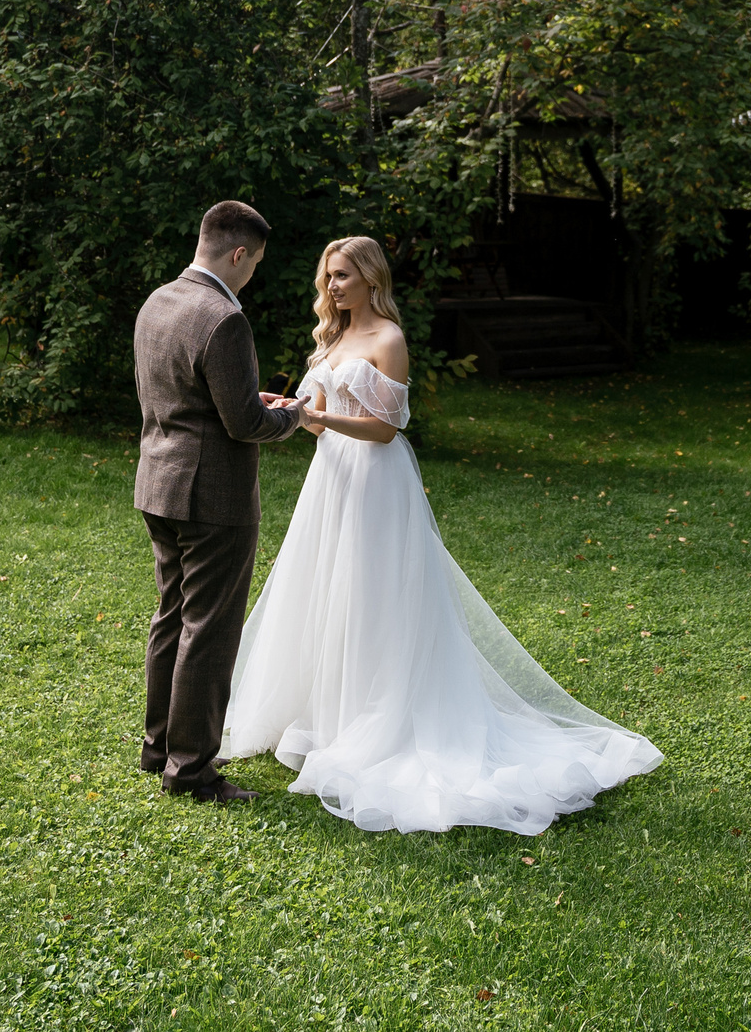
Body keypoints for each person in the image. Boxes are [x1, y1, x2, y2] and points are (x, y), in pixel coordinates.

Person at [221, 235, 661, 833]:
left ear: (371, 278)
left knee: (375, 594)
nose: (333, 286)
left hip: (377, 480)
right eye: (328, 276)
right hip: (332, 480)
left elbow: (384, 429)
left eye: (344, 275)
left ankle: (380, 714)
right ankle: (328, 711)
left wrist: (319, 414)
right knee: (328, 588)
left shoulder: (388, 340)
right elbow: (322, 428)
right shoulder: (332, 337)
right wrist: (297, 410)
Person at [132, 200, 309, 803]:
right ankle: (191, 773)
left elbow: (182, 389)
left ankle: (157, 749)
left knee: (172, 617)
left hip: (158, 482)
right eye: (255, 262)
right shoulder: (224, 317)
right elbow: (242, 425)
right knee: (208, 631)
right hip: (213, 497)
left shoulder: (160, 300)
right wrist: (293, 418)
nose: (252, 273)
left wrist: (248, 399)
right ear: (238, 254)